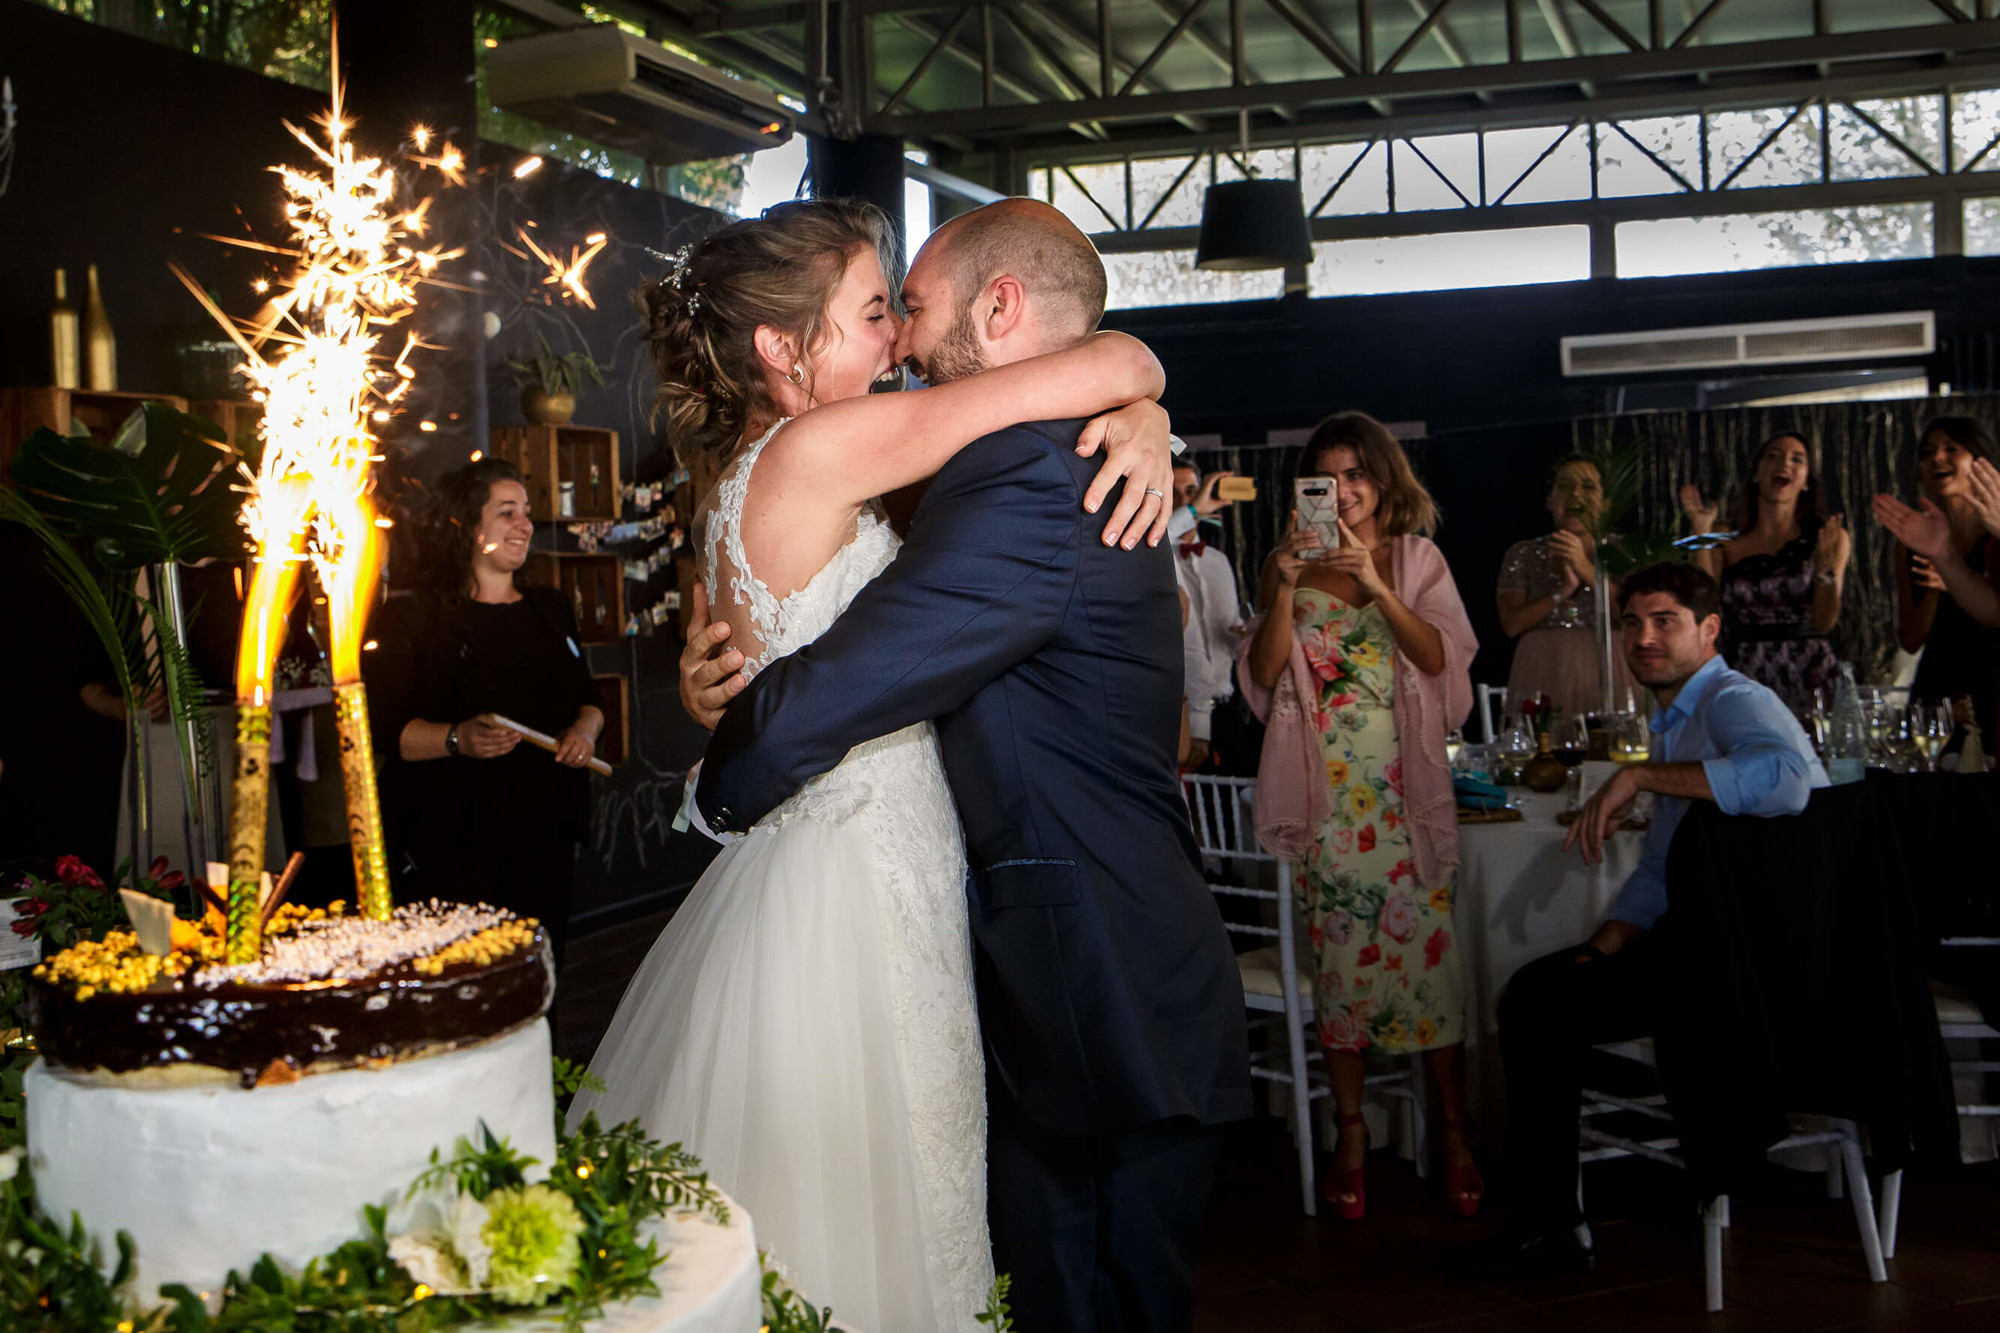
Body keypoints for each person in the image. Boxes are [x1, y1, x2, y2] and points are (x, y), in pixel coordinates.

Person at [573, 197, 1213, 1333]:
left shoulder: (759, 470)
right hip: (868, 869)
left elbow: (785, 647)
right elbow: (1082, 365)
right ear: (782, 347)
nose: (901, 343)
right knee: (891, 1201)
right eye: (876, 313)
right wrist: (1136, 383)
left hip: (958, 893)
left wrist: (1140, 400)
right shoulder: (834, 447)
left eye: (898, 309)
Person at [1444, 560, 1826, 1280]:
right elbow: (1657, 867)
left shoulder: (1733, 700)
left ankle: (1558, 1221)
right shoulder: (1676, 717)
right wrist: (1602, 946)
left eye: (1665, 621)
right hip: (1705, 945)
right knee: (1539, 991)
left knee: (1536, 1004)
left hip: (1754, 962)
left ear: (1711, 630)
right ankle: (1557, 1214)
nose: (1644, 638)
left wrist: (1639, 775)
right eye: (1632, 623)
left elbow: (1791, 780)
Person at [1240, 411, 1481, 1220]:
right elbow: (1266, 676)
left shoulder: (1416, 559)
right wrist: (1281, 586)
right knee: (1342, 981)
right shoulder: (1289, 565)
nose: (1342, 493)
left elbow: (1444, 664)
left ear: (1383, 481)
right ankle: (1350, 1134)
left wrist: (1377, 585)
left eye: (1356, 476)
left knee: (1433, 975)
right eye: (1327, 478)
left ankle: (1452, 1132)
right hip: (1328, 805)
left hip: (1405, 801)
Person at [364, 457, 604, 964]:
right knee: (459, 978)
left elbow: (590, 699)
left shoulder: (550, 608)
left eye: (527, 513)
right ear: (469, 527)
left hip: (543, 832)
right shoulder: (415, 617)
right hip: (448, 838)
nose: (525, 525)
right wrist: (457, 739)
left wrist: (584, 731)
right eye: (507, 513)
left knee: (537, 975)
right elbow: (384, 730)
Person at [1679, 432, 1849, 710]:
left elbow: (1824, 622)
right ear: (1757, 474)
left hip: (1809, 670)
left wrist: (1826, 569)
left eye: (1797, 459)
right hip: (1746, 669)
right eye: (1774, 455)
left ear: (1806, 481)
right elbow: (1706, 603)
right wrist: (1700, 530)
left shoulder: (1828, 537)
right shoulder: (1723, 536)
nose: (1785, 463)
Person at [1872, 417, 2000, 745]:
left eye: (1951, 449)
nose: (1937, 459)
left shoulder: (1994, 532)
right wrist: (1935, 582)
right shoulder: (1916, 540)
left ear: (1980, 460)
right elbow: (1911, 640)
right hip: (1939, 682)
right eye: (1928, 453)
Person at [1496, 456, 1637, 721]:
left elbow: (1632, 616)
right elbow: (1512, 624)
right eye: (1565, 486)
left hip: (1610, 668)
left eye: (1587, 486)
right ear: (1550, 501)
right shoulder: (1524, 553)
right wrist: (1562, 591)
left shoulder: (1624, 552)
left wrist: (1585, 569)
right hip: (1544, 671)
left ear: (1605, 503)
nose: (1575, 495)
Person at [1172, 458, 1245, 770]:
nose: (1184, 500)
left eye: (1189, 491)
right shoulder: (1153, 554)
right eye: (1171, 492)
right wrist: (1198, 722)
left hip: (1229, 709)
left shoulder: (1218, 561)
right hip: (1185, 713)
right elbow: (1184, 645)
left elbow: (1227, 633)